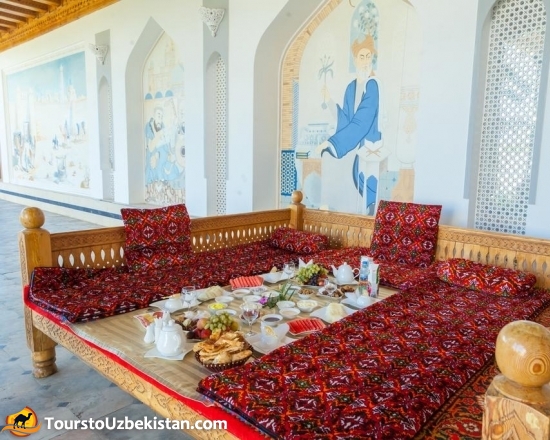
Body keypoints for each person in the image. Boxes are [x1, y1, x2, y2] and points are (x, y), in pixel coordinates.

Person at [315, 35, 383, 214]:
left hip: (366, 141)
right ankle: (331, 208)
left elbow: (362, 121)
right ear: (355, 60)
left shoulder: (373, 85)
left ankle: (361, 212)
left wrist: (333, 143)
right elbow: (345, 120)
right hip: (351, 140)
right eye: (362, 57)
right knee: (328, 157)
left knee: (338, 156)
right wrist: (329, 102)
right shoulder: (351, 88)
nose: (366, 61)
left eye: (368, 56)